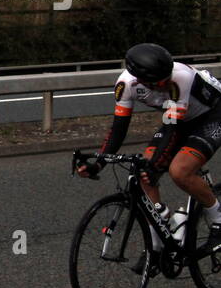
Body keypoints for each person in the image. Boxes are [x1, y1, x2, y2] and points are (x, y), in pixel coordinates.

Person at [78, 43, 221, 246]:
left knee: (179, 171)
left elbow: (173, 128)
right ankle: (159, 237)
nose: (163, 85)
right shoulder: (126, 85)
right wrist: (99, 163)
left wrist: (155, 166)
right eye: (157, 83)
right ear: (140, 79)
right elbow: (118, 129)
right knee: (142, 168)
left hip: (212, 115)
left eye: (166, 80)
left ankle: (218, 217)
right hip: (179, 118)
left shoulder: (180, 77)